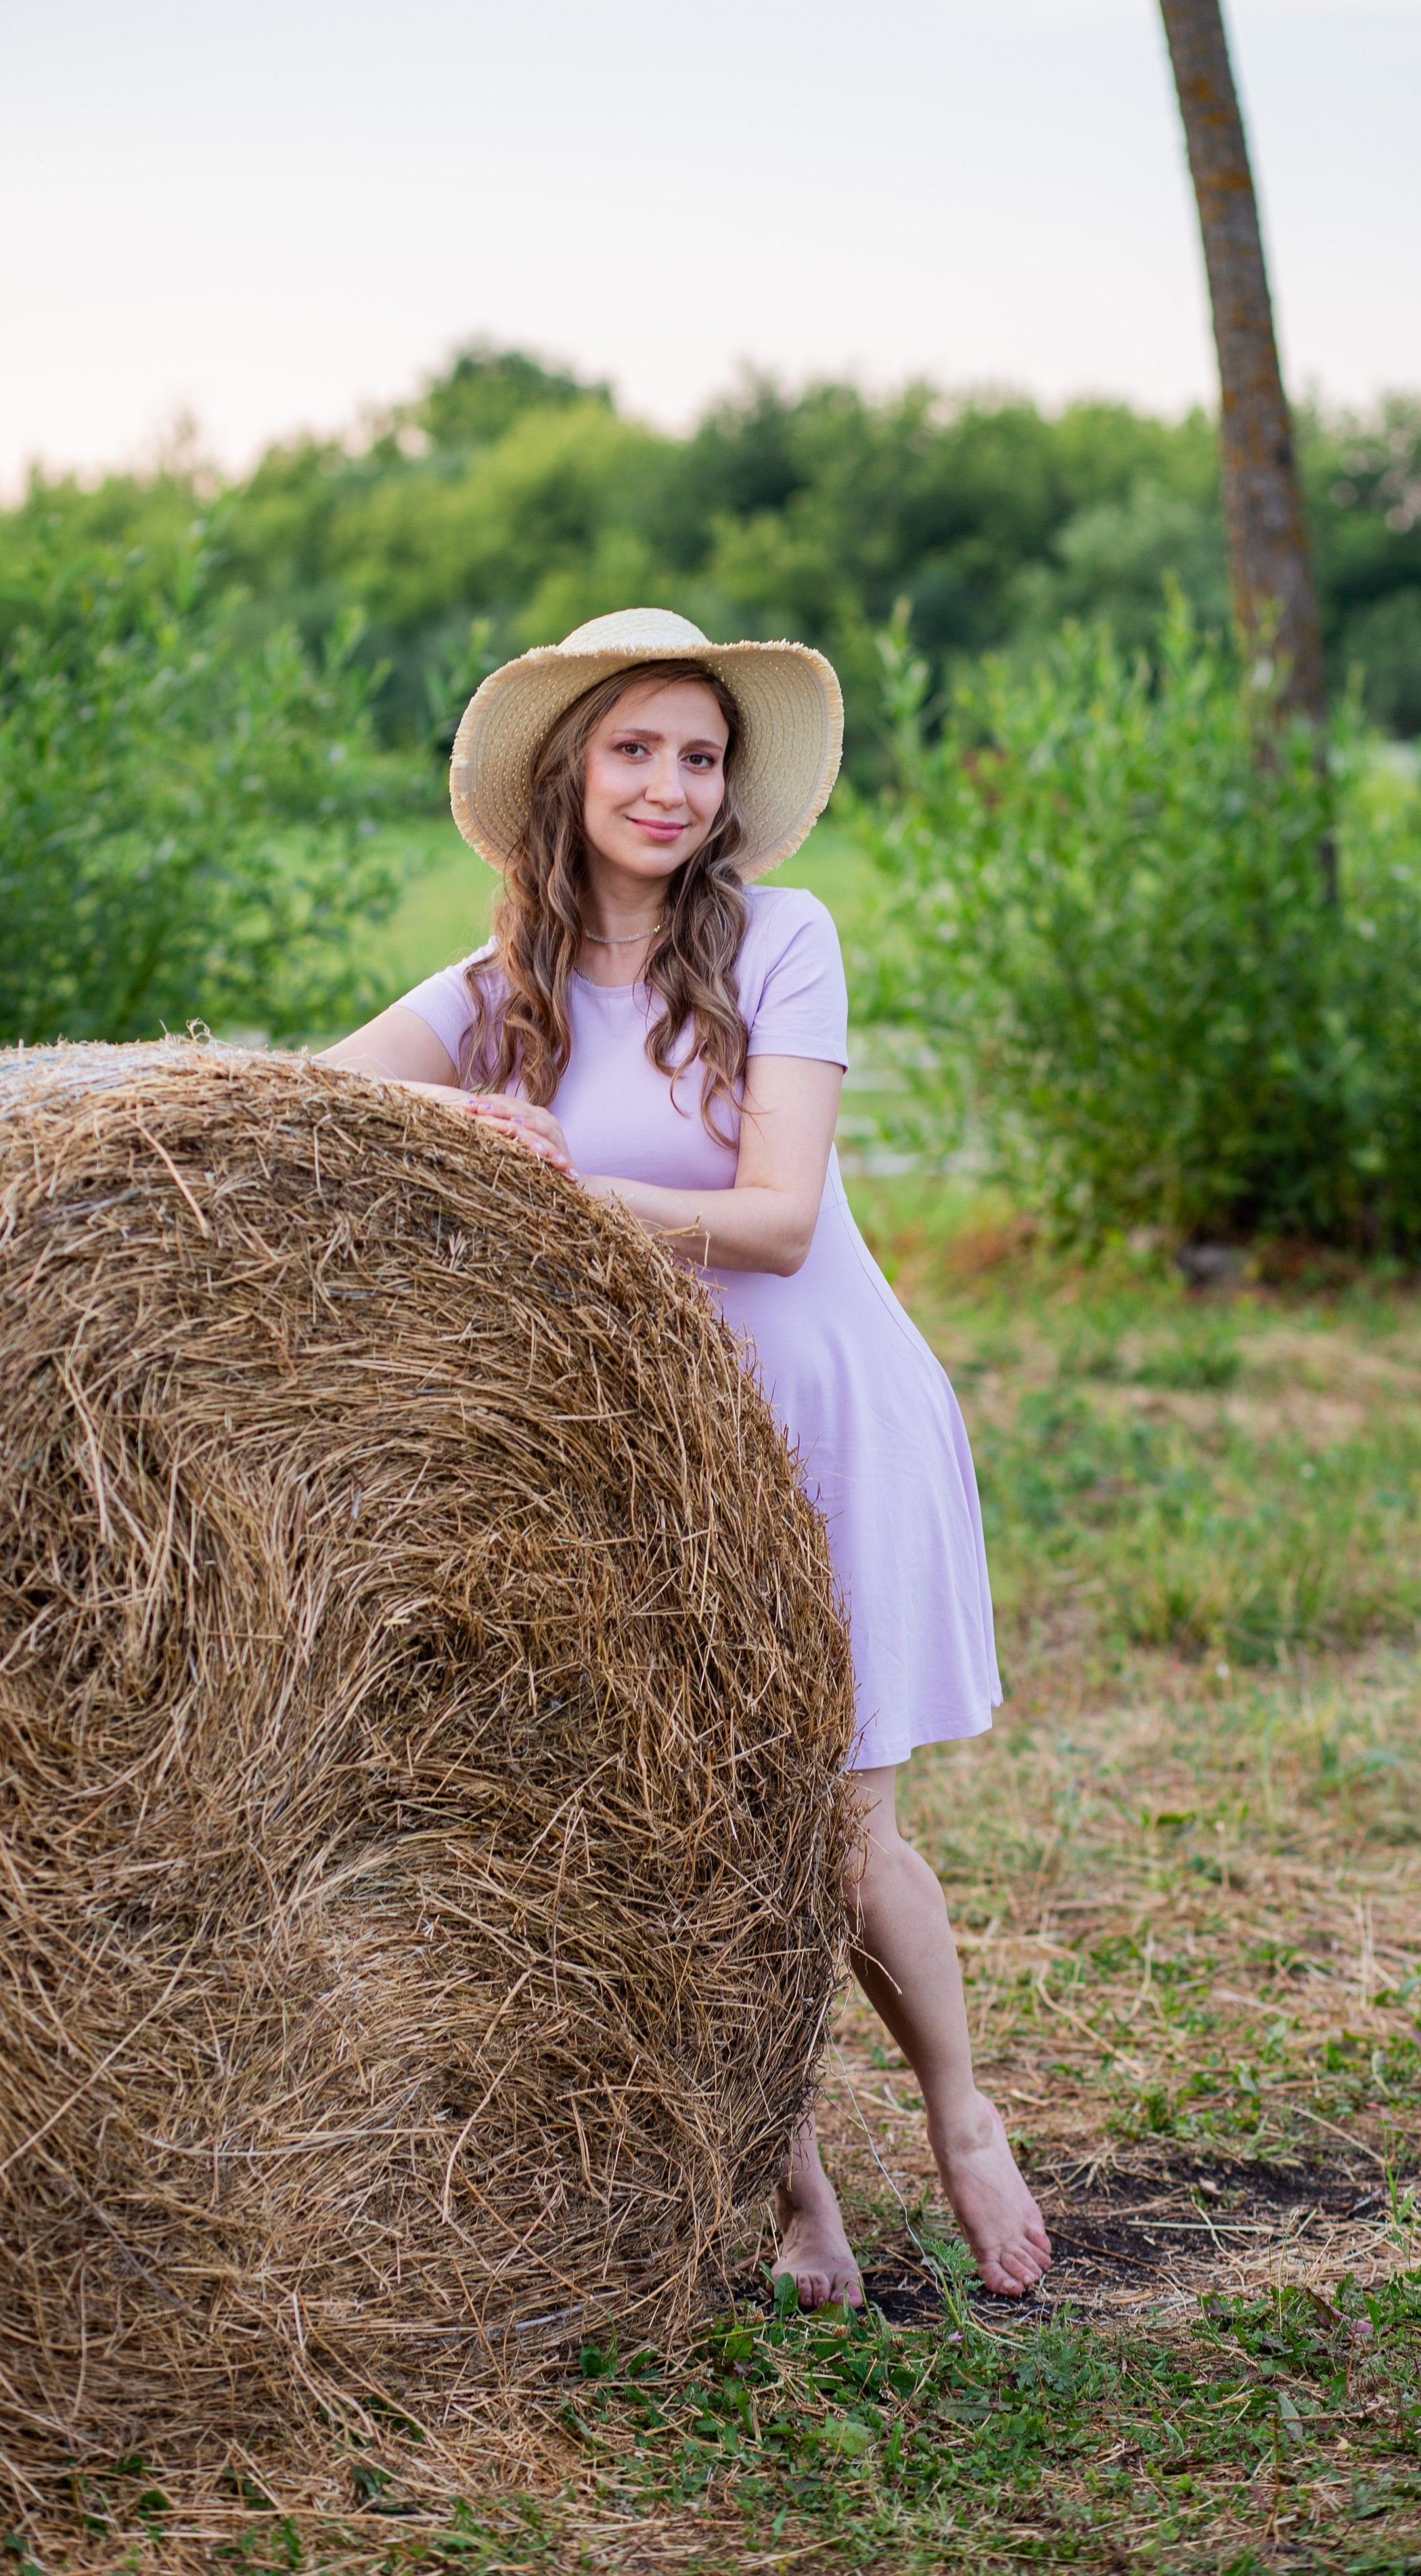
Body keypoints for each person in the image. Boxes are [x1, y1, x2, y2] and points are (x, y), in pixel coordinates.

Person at [321, 609, 1052, 2306]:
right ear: (567, 775)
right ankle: (794, 2194)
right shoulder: (494, 993)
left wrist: (562, 1184)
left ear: (729, 794)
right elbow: (304, 1096)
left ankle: (958, 2115)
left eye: (699, 757)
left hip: (829, 1412)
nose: (667, 786)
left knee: (837, 1828)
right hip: (658, 1451)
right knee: (693, 1824)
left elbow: (779, 1227)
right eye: (635, 750)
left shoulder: (783, 941)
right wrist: (458, 1116)